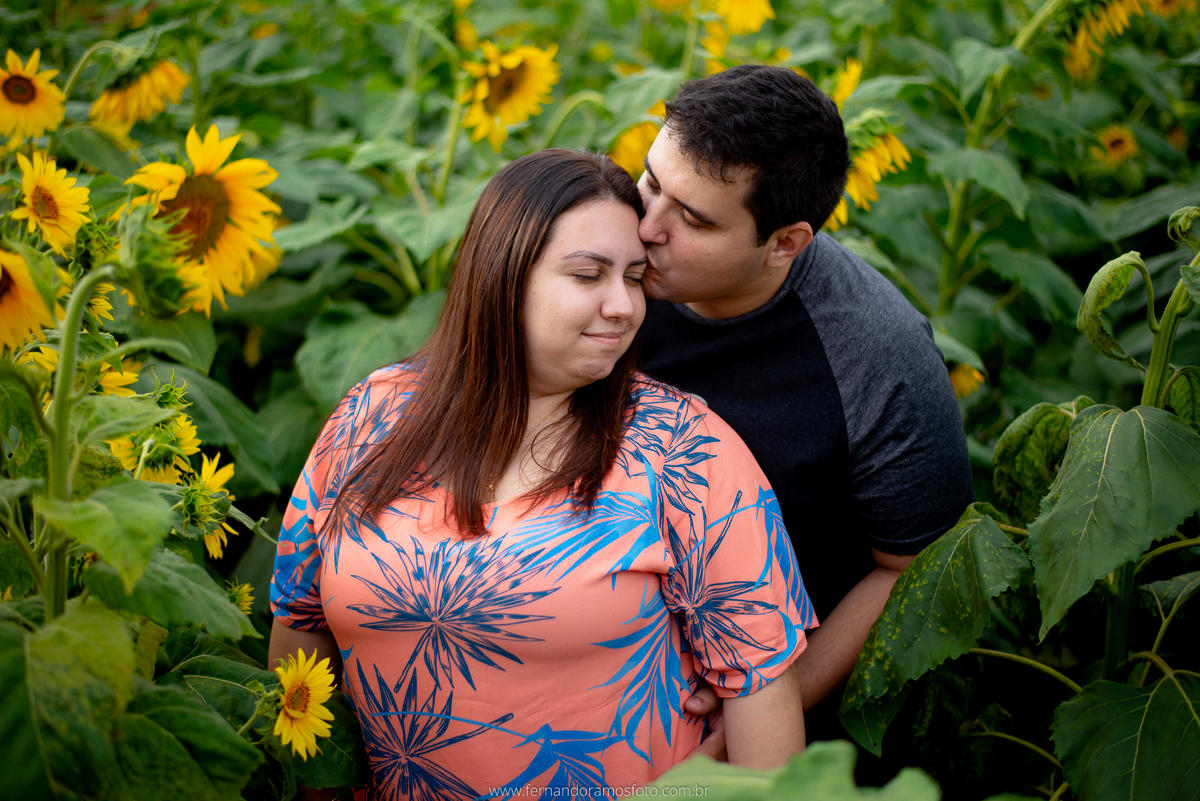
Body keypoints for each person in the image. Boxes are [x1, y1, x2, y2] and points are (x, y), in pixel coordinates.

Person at [269, 149, 816, 797]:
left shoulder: (687, 451)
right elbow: (299, 632)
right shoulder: (370, 416)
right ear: (502, 276)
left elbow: (760, 702)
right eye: (589, 274)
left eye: (635, 277)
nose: (623, 305)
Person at [636, 65, 974, 743]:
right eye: (649, 181)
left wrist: (764, 706)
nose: (647, 227)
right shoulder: (600, 258)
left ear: (784, 243)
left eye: (693, 219)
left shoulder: (877, 353)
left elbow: (914, 566)